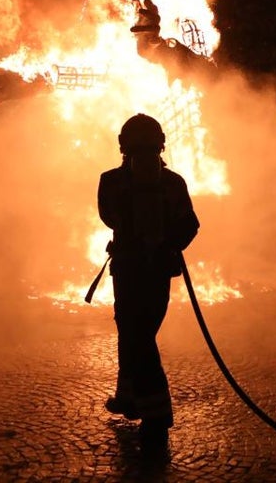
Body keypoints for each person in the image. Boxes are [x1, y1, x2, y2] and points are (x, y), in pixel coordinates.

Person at [98, 113, 200, 453]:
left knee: (135, 336)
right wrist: (168, 245)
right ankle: (129, 398)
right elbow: (190, 225)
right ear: (161, 144)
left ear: (123, 146)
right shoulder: (174, 183)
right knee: (138, 334)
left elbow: (108, 216)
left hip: (128, 274)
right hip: (156, 275)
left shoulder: (110, 181)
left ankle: (156, 418)